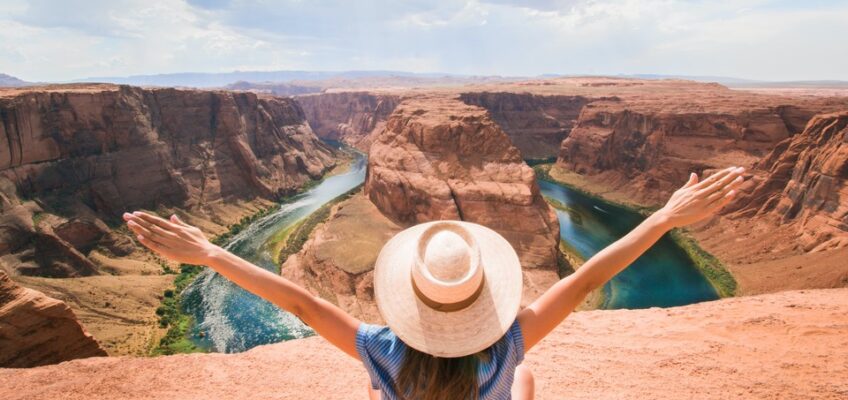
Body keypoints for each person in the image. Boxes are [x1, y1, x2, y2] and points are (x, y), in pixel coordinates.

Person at [124, 166, 746, 400]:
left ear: (410, 298)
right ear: (483, 298)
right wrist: (664, 217)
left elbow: (302, 305)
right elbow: (585, 281)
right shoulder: (508, 351)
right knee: (526, 382)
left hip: (394, 388)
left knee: (374, 393)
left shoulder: (382, 352)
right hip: (501, 384)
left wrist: (209, 253)